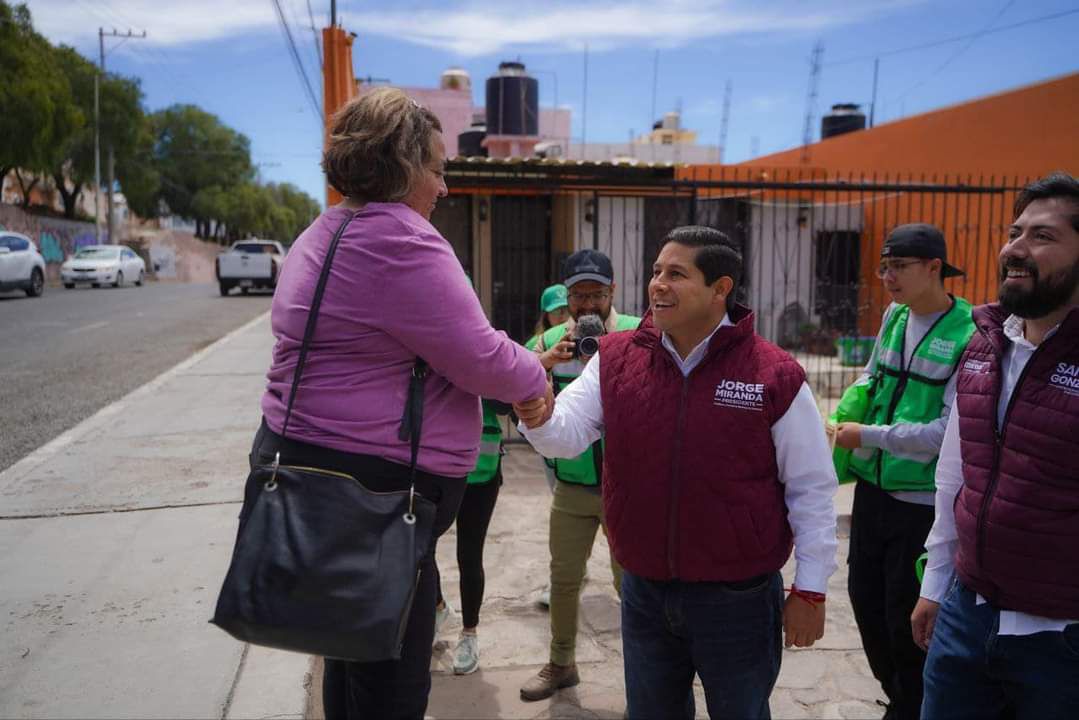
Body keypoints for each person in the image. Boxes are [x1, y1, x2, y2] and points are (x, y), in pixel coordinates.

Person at [251, 87, 547, 720]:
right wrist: (533, 383)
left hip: (313, 487)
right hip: (376, 507)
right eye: (438, 170)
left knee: (347, 658)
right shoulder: (402, 244)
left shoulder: (321, 233)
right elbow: (482, 357)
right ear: (405, 165)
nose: (444, 188)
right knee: (392, 686)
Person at [517, 226, 838, 720]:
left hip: (739, 600)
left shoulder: (773, 374)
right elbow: (565, 433)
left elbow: (811, 488)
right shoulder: (616, 358)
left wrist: (810, 588)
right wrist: (533, 404)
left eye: (676, 274)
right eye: (655, 272)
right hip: (644, 591)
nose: (658, 284)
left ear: (720, 289)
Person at [911, 172, 1079, 720]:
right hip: (967, 614)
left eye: (1042, 237)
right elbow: (955, 474)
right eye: (1015, 232)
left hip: (1061, 642)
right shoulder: (985, 346)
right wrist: (936, 584)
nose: (1015, 248)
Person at [831, 224, 975, 720]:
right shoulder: (894, 316)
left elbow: (945, 432)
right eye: (884, 267)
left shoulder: (969, 334)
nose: (887, 277)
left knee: (905, 616)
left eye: (899, 267)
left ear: (935, 267)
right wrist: (850, 409)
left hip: (921, 504)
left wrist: (866, 436)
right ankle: (898, 695)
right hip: (872, 491)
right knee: (863, 600)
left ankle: (913, 704)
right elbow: (873, 377)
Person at [519, 249, 641, 702]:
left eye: (596, 294)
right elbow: (514, 387)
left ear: (613, 292)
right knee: (564, 578)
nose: (587, 304)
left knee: (631, 584)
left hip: (626, 486)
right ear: (566, 297)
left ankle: (644, 674)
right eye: (578, 295)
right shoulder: (551, 338)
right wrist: (547, 360)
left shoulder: (637, 332)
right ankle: (561, 662)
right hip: (571, 485)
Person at [432, 398, 510, 675]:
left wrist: (477, 377)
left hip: (482, 472)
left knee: (469, 554)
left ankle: (469, 634)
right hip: (437, 466)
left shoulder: (495, 353)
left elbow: (506, 406)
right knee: (421, 548)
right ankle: (438, 606)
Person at [526, 283, 570, 350]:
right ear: (546, 315)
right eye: (556, 311)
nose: (563, 316)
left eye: (567, 309)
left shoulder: (582, 340)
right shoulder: (534, 344)